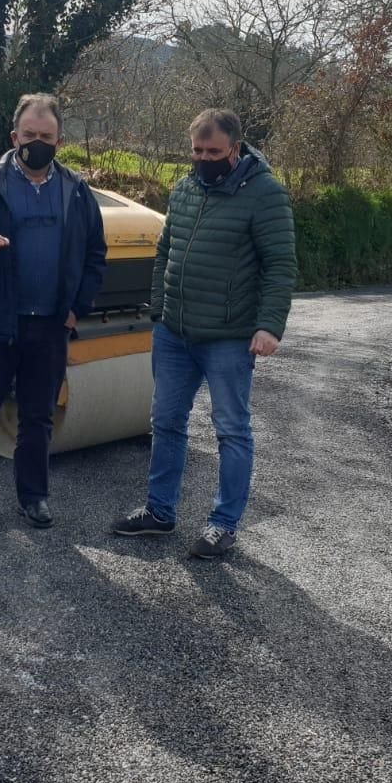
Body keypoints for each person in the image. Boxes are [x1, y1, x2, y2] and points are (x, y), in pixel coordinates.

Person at [110, 108, 296, 559]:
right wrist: (160, 309)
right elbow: (165, 251)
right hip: (174, 333)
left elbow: (280, 265)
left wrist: (269, 325)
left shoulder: (266, 194)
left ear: (236, 148)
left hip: (229, 337)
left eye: (213, 152)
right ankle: (160, 512)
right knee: (165, 421)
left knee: (231, 430)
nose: (204, 159)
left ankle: (223, 525)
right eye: (197, 151)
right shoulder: (185, 188)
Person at [0, 93, 107, 529]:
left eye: (46, 137)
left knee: (38, 417)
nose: (38, 143)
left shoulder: (76, 190)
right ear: (14, 137)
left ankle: (34, 497)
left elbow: (95, 253)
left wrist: (76, 309)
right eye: (30, 134)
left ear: (60, 141)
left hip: (50, 325)